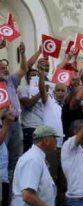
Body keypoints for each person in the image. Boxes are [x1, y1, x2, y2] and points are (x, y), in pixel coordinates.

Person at [0, 42, 27, 187]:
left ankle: (13, 190)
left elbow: (23, 68)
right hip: (3, 125)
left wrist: (22, 53)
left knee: (16, 159)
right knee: (3, 159)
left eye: (6, 68)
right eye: (2, 68)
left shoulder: (10, 81)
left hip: (16, 124)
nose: (5, 70)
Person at [19, 64, 48, 152]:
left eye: (37, 75)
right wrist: (41, 92)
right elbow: (28, 104)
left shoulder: (42, 89)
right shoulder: (23, 89)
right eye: (33, 75)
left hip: (42, 127)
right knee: (30, 153)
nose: (36, 77)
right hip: (30, 127)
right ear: (27, 78)